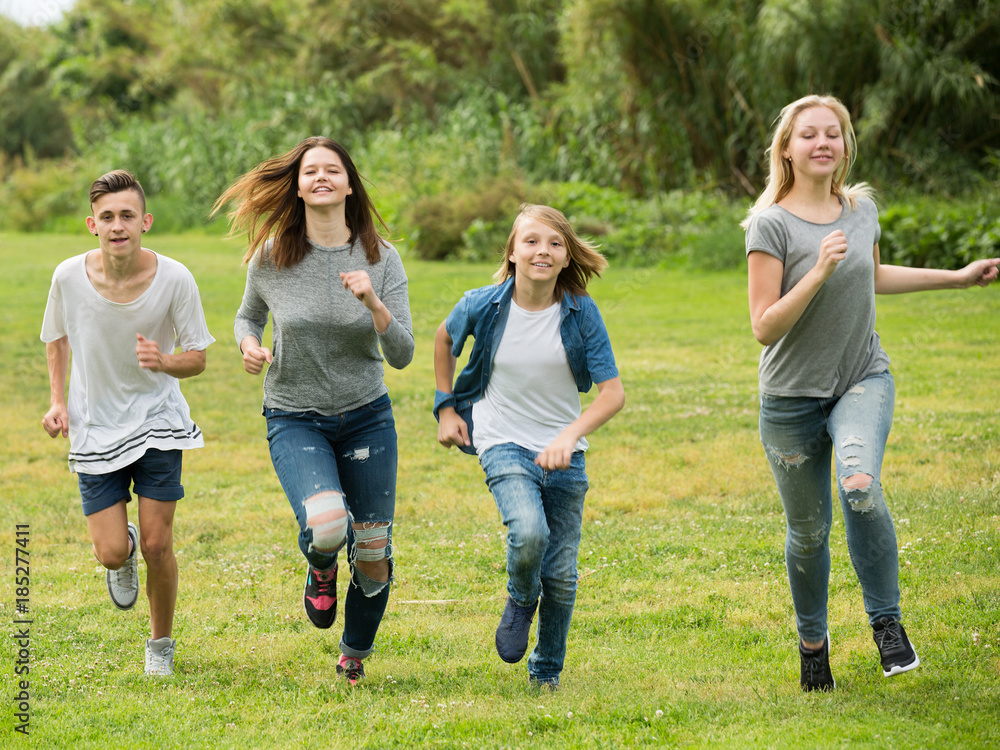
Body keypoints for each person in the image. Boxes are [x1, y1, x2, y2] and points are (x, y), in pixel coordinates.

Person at [743, 94, 999, 692]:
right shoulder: (769, 225)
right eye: (809, 135)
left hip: (861, 376)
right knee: (807, 532)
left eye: (833, 133)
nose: (823, 143)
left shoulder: (860, 211)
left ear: (845, 145)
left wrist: (957, 277)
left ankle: (887, 623)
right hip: (790, 397)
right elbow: (764, 324)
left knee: (859, 485)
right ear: (788, 147)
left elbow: (874, 275)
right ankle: (813, 646)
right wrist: (818, 272)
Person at [214, 136, 414, 686]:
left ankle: (354, 651)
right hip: (294, 413)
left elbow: (403, 354)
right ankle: (321, 565)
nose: (321, 177)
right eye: (310, 172)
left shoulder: (382, 259)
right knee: (328, 527)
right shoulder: (273, 255)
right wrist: (248, 345)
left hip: (366, 414)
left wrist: (373, 302)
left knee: (373, 550)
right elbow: (246, 317)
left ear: (350, 185)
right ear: (298, 187)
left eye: (332, 170)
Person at [434, 203, 625, 689]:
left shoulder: (581, 313)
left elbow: (612, 394)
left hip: (565, 454)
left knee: (560, 577)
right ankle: (521, 598)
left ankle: (547, 671)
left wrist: (570, 435)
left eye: (555, 244)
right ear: (513, 252)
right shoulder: (483, 303)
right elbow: (443, 339)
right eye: (532, 241)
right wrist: (447, 407)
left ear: (566, 258)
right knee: (529, 531)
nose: (543, 250)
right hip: (503, 441)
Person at [41, 169, 214, 677]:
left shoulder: (175, 277)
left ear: (146, 222)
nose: (118, 226)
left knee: (161, 545)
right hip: (95, 425)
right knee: (112, 551)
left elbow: (199, 357)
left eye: (128, 216)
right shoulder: (68, 276)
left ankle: (160, 646)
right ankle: (125, 548)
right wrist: (58, 401)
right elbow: (56, 338)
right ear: (92, 223)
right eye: (108, 217)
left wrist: (164, 361)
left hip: (157, 421)